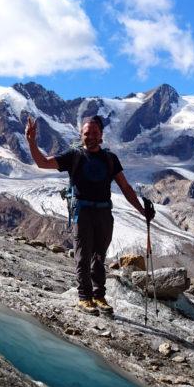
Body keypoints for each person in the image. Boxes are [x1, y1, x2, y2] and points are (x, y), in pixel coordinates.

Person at [25, 114, 152, 314]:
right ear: (81, 134)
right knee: (83, 256)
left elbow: (126, 188)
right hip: (82, 211)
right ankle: (85, 297)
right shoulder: (73, 156)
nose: (90, 136)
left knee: (99, 256)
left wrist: (142, 210)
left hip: (103, 212)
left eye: (94, 132)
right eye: (87, 133)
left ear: (101, 135)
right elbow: (42, 162)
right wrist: (31, 141)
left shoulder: (110, 158)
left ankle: (99, 295)